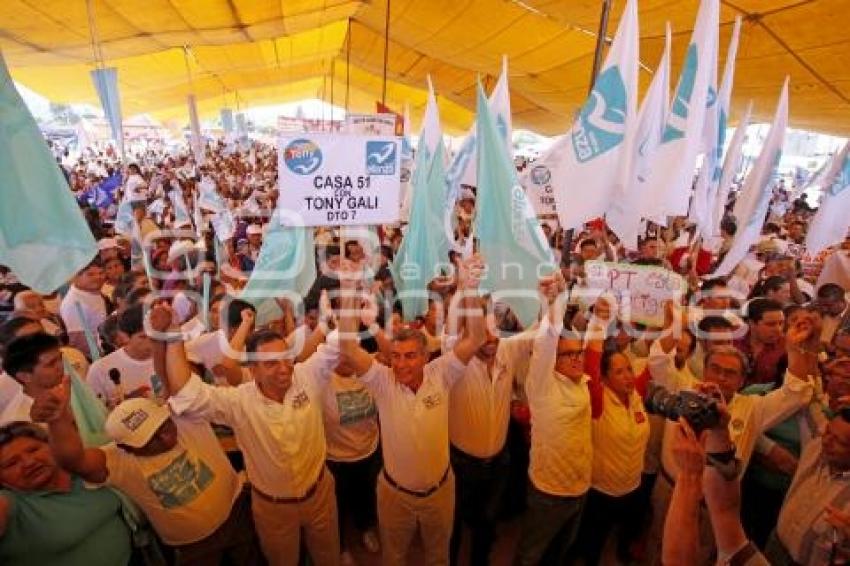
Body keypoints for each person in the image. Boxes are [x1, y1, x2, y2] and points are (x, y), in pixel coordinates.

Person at [162, 302, 343, 566]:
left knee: (329, 557)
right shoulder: (238, 402)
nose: (283, 368)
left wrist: (348, 294)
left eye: (286, 359)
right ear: (253, 370)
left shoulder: (306, 376)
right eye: (270, 364)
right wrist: (171, 332)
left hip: (320, 494)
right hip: (273, 508)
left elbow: (340, 344)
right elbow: (186, 392)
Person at [338, 256, 486, 566]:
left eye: (409, 356)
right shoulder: (382, 381)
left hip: (440, 492)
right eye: (396, 356)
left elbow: (476, 338)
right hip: (395, 496)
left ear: (425, 356)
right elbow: (349, 348)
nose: (401, 364)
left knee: (438, 557)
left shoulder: (441, 373)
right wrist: (349, 289)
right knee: (394, 557)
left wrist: (471, 288)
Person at [31, 376, 261, 565]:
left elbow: (179, 380)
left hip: (237, 512)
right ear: (125, 447)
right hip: (191, 545)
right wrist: (58, 420)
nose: (166, 436)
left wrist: (165, 335)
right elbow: (74, 460)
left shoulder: (185, 419)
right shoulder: (118, 461)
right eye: (150, 438)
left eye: (164, 425)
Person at [447, 300, 533, 566]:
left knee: (487, 522)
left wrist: (553, 298)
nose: (490, 339)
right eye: (482, 333)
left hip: (499, 463)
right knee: (453, 525)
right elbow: (450, 332)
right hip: (460, 464)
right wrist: (465, 287)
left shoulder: (506, 350)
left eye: (495, 332)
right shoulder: (455, 363)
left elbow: (546, 329)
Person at [513, 274, 592, 566]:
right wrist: (554, 301)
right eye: (568, 355)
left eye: (579, 353)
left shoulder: (582, 381)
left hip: (580, 487)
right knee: (531, 554)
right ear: (553, 361)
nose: (576, 359)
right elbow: (547, 339)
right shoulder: (541, 384)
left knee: (561, 552)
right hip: (549, 491)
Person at [575, 298, 651, 564]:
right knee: (592, 543)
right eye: (618, 372)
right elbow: (591, 360)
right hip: (601, 491)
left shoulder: (637, 394)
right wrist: (599, 322)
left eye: (629, 368)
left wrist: (667, 321)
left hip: (633, 487)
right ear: (604, 378)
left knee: (625, 538)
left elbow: (658, 358)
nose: (628, 376)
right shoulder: (598, 401)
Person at [0, 421, 133, 566]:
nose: (29, 462)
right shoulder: (11, 503)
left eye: (33, 450)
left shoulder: (81, 472)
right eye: (11, 463)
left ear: (52, 447)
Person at [86, 304, 162, 408]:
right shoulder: (99, 370)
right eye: (143, 337)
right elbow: (95, 413)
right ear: (124, 336)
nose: (152, 341)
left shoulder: (170, 355)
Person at [59, 258, 109, 359]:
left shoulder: (93, 292)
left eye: (101, 273)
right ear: (75, 277)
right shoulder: (73, 303)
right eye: (90, 274)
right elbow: (79, 341)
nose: (98, 277)